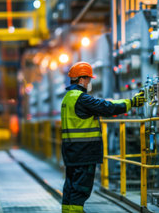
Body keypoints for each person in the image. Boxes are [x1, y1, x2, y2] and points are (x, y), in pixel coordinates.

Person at [61, 62, 145, 212]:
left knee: (70, 188)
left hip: (71, 152)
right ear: (81, 80)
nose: (89, 82)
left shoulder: (68, 98)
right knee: (80, 190)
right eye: (88, 79)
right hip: (84, 152)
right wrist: (131, 102)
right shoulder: (81, 98)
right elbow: (106, 107)